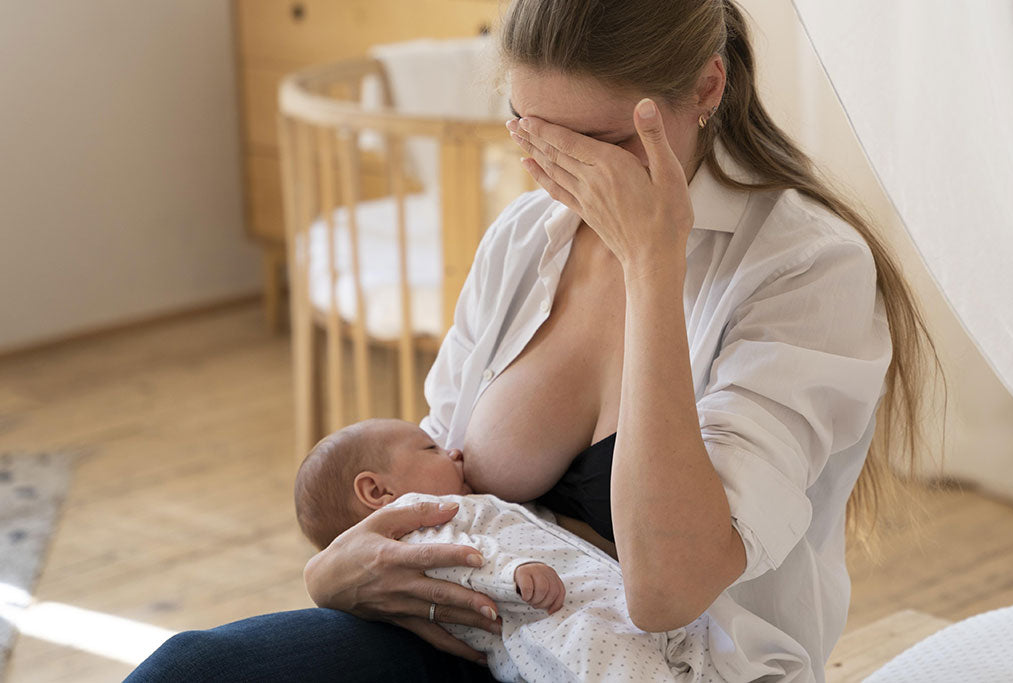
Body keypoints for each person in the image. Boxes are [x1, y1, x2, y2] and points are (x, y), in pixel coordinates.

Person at [127, 0, 943, 681]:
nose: (562, 176)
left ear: (706, 88)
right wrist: (333, 572)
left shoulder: (807, 267)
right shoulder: (527, 234)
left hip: (668, 666)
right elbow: (440, 479)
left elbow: (668, 591)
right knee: (187, 669)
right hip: (490, 638)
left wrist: (652, 262)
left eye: (604, 146)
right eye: (532, 132)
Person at [293, 418, 721, 682]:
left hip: (594, 605)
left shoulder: (461, 506)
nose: (454, 449)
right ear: (377, 491)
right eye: (431, 448)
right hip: (546, 629)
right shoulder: (413, 523)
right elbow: (456, 561)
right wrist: (510, 575)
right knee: (601, 659)